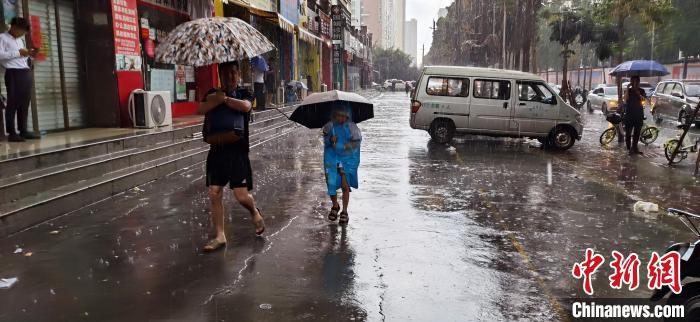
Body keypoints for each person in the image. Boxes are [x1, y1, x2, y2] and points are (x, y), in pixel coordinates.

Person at [198, 61, 265, 252]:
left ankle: (254, 211)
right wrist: (215, 99)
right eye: (226, 73)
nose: (231, 77)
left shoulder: (245, 93)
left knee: (241, 196)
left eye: (234, 73)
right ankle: (220, 236)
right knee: (214, 192)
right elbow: (200, 110)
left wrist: (225, 100)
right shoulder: (212, 93)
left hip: (238, 152)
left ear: (239, 74)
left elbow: (245, 107)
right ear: (220, 74)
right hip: (217, 150)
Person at [323, 106, 362, 225]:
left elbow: (357, 142)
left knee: (345, 186)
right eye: (338, 115)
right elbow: (325, 140)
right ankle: (335, 206)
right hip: (332, 159)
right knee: (331, 183)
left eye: (343, 116)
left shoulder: (352, 127)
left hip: (346, 160)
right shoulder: (329, 126)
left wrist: (346, 146)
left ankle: (345, 211)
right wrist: (330, 140)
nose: (341, 118)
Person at [0, 17, 37, 142]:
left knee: (24, 103)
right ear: (14, 27)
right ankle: (11, 133)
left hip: (24, 71)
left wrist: (28, 56)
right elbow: (0, 55)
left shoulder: (20, 40)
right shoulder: (2, 38)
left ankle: (23, 130)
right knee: (13, 103)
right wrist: (18, 53)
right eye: (22, 31)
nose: (23, 34)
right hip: (13, 73)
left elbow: (21, 55)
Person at [624, 76, 646, 155]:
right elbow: (626, 99)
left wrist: (638, 94)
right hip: (629, 114)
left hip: (639, 115)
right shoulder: (628, 91)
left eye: (636, 82)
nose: (635, 84)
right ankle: (629, 149)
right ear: (631, 82)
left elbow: (643, 100)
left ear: (639, 82)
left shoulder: (642, 90)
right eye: (633, 82)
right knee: (628, 133)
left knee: (637, 133)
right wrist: (627, 87)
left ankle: (635, 148)